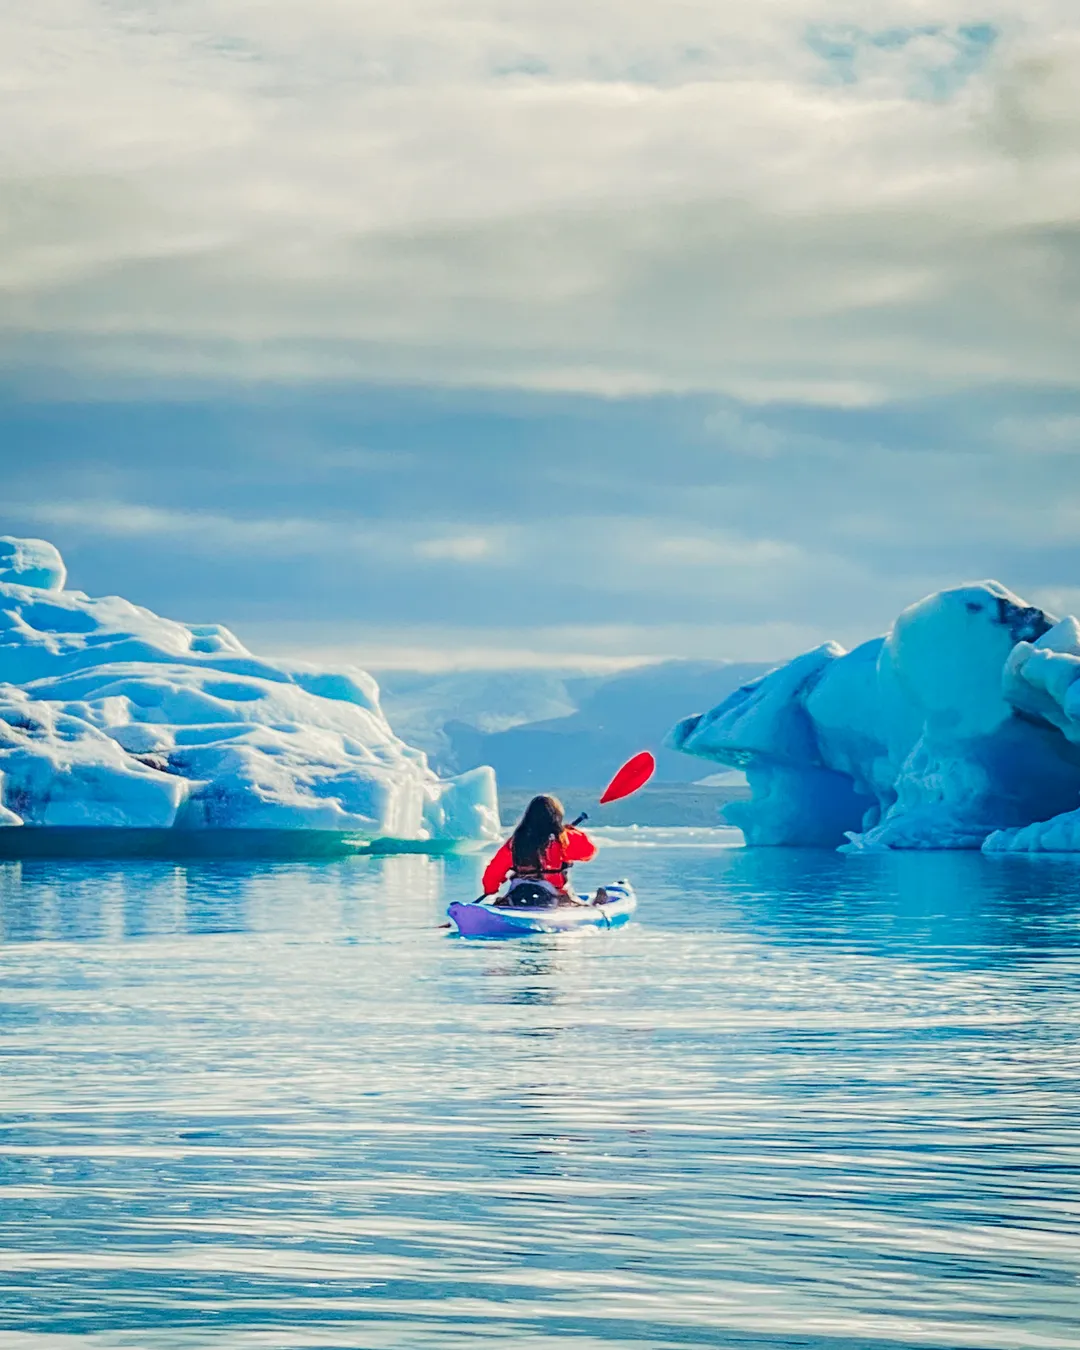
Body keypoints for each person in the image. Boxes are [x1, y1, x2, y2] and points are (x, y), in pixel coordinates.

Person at [482, 794, 597, 906]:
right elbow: (589, 852)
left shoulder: (516, 841)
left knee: (504, 900)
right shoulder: (563, 838)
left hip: (519, 893)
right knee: (576, 903)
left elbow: (494, 869)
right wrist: (573, 832)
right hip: (553, 895)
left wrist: (491, 888)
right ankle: (596, 903)